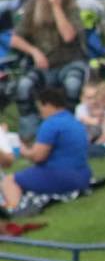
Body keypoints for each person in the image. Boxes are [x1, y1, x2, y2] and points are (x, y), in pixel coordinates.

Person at [9, 0, 86, 141]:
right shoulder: (32, 6)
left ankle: (69, 132)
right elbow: (14, 39)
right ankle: (31, 135)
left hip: (69, 62)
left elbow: (68, 36)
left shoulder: (70, 6)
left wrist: (56, 7)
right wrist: (34, 51)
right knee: (24, 86)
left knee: (72, 85)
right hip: (43, 66)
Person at [0, 87, 92, 218]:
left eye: (40, 107)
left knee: (9, 181)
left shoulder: (51, 124)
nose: (40, 111)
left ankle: (14, 209)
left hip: (62, 176)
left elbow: (38, 157)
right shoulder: (73, 120)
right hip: (83, 176)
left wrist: (23, 151)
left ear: (48, 105)